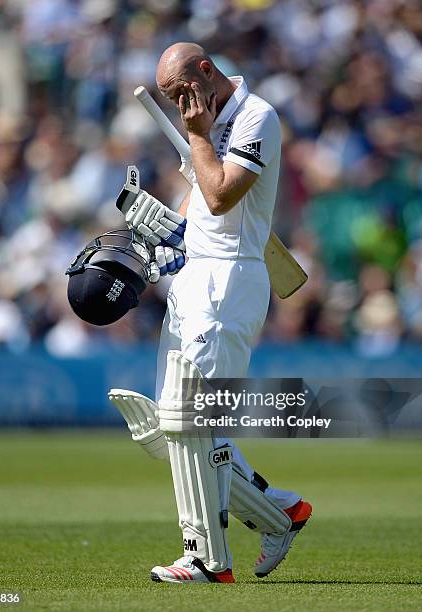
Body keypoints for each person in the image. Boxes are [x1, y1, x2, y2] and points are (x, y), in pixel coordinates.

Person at [106, 42, 312, 584]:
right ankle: (281, 513)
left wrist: (198, 137)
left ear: (205, 70)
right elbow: (199, 207)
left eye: (183, 94)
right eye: (172, 101)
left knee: (191, 423)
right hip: (194, 279)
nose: (181, 106)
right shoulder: (204, 122)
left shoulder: (256, 116)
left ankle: (206, 559)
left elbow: (221, 195)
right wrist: (163, 234)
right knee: (168, 434)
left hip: (229, 282)